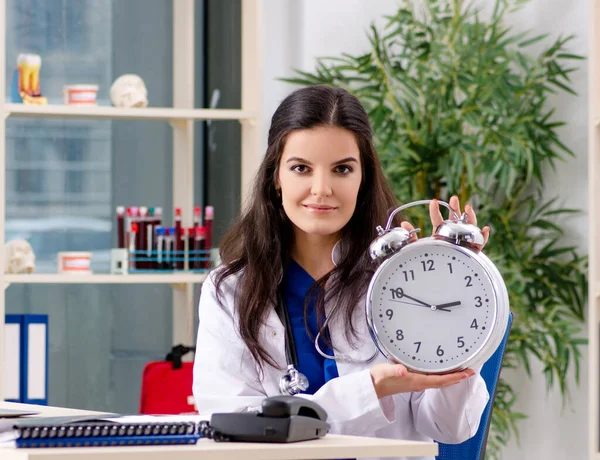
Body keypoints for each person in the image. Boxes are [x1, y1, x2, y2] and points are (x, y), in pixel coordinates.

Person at [192, 85, 491, 459]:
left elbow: (451, 427)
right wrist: (371, 388)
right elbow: (234, 427)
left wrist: (462, 297)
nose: (321, 189)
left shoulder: (404, 278)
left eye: (342, 169)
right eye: (301, 168)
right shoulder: (231, 291)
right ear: (276, 176)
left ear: (362, 177)